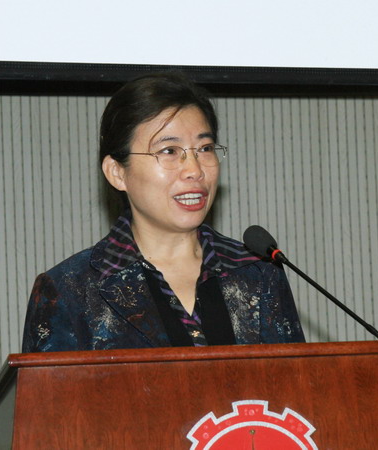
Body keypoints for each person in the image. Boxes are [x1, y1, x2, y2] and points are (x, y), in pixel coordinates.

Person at [22, 72, 304, 352]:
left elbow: (293, 380)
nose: (195, 170)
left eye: (205, 148)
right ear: (117, 172)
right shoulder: (70, 290)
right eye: (169, 151)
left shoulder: (256, 272)